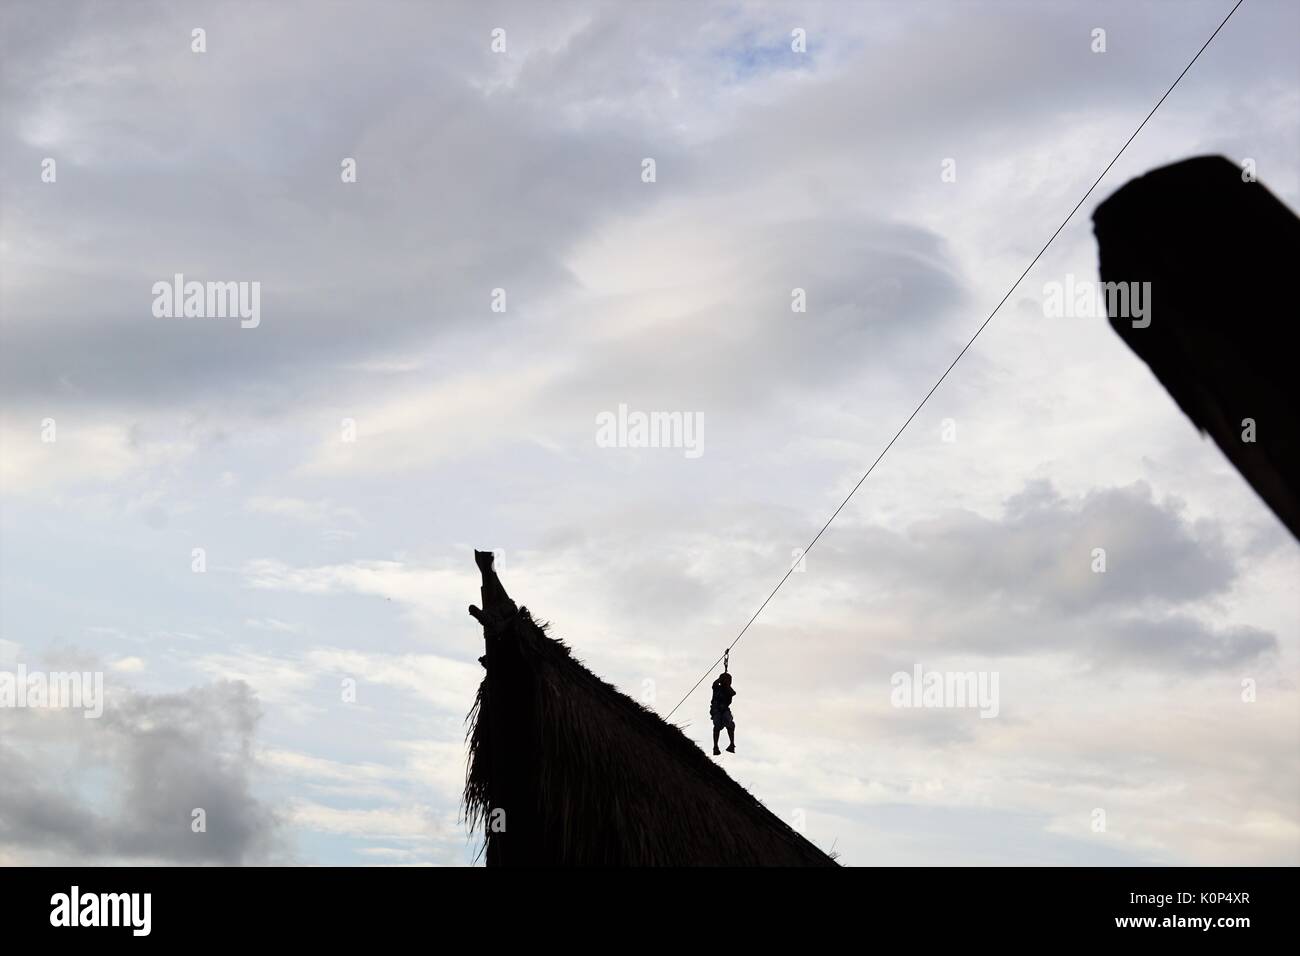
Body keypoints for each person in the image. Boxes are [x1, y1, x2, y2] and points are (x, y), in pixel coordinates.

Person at [710, 672, 736, 755]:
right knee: (717, 725)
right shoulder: (717, 688)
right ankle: (715, 746)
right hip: (716, 710)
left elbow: (732, 693)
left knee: (729, 723)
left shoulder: (729, 690)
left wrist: (726, 684)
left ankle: (732, 744)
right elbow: (714, 684)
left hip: (724, 710)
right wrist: (720, 679)